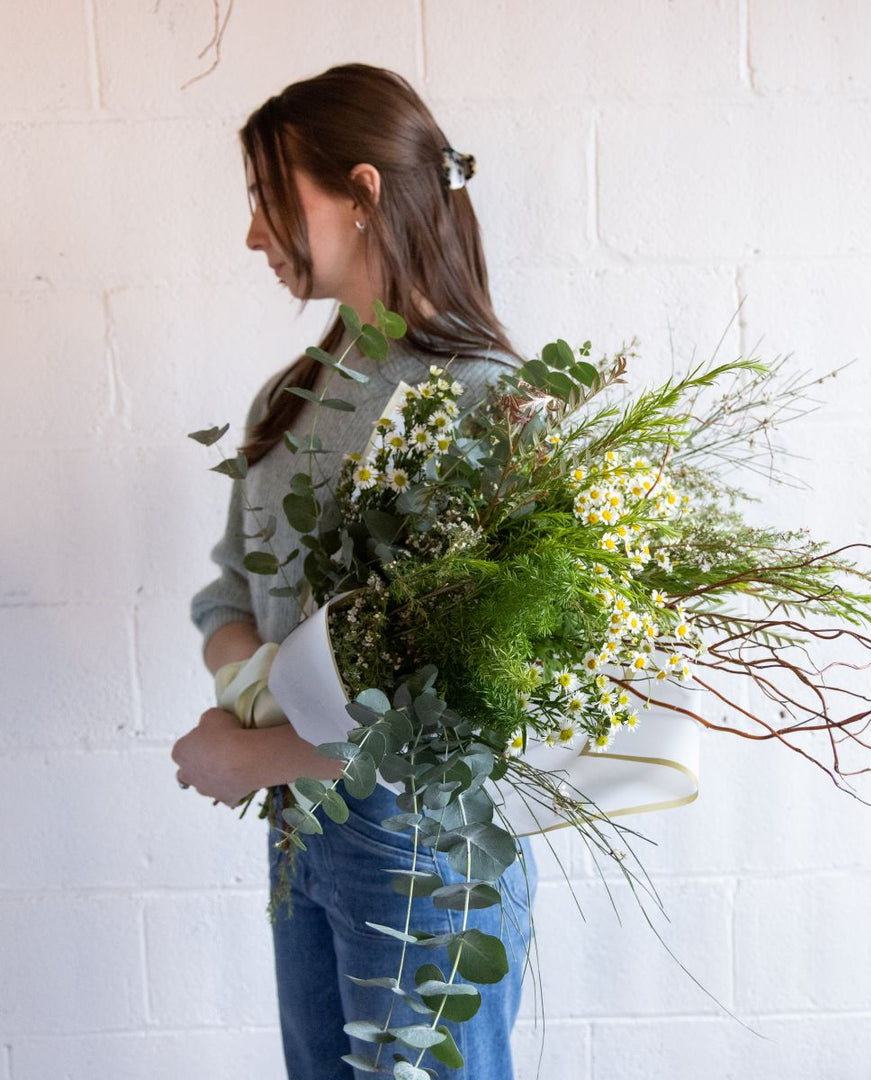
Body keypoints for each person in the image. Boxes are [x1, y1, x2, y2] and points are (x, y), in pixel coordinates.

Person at [171, 63, 535, 1080]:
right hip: (303, 837)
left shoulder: (489, 404)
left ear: (363, 192)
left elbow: (475, 706)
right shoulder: (290, 399)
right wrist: (251, 699)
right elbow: (230, 594)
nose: (254, 233)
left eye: (270, 198)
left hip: (425, 860)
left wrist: (255, 757)